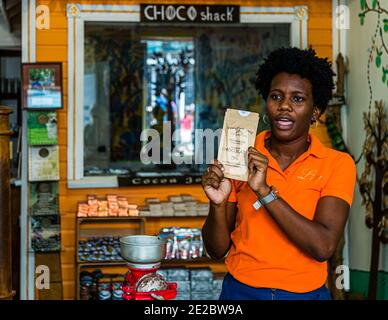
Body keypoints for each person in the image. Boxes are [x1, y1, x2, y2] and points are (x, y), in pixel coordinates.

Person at [201, 47, 356, 300]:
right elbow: (216, 250)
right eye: (276, 96)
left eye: (298, 99)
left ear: (315, 111)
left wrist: (264, 192)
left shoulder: (336, 164)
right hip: (240, 293)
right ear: (266, 103)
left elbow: (323, 246)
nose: (284, 106)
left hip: (305, 295)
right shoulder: (240, 156)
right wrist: (217, 205)